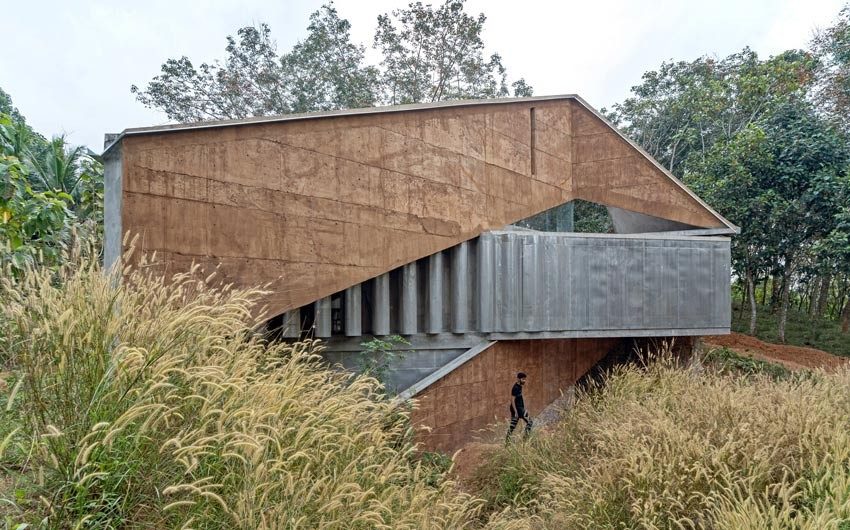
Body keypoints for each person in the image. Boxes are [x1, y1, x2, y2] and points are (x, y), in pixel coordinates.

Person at [506, 372, 533, 442]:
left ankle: (508, 441)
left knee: (513, 426)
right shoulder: (515, 388)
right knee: (529, 422)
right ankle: (524, 440)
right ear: (518, 379)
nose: (524, 381)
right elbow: (512, 400)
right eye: (523, 379)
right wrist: (515, 412)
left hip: (520, 408)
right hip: (517, 409)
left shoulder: (519, 386)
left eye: (525, 379)